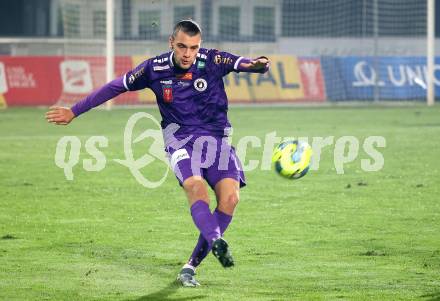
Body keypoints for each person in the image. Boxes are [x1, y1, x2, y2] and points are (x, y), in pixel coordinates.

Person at [46, 20, 270, 287]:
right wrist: (74, 111)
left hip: (217, 142)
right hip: (180, 141)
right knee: (195, 188)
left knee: (230, 199)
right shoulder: (154, 68)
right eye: (182, 46)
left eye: (194, 47)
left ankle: (190, 267)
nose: (188, 54)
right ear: (171, 43)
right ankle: (216, 239)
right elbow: (115, 86)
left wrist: (258, 65)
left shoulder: (212, 59)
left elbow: (244, 63)